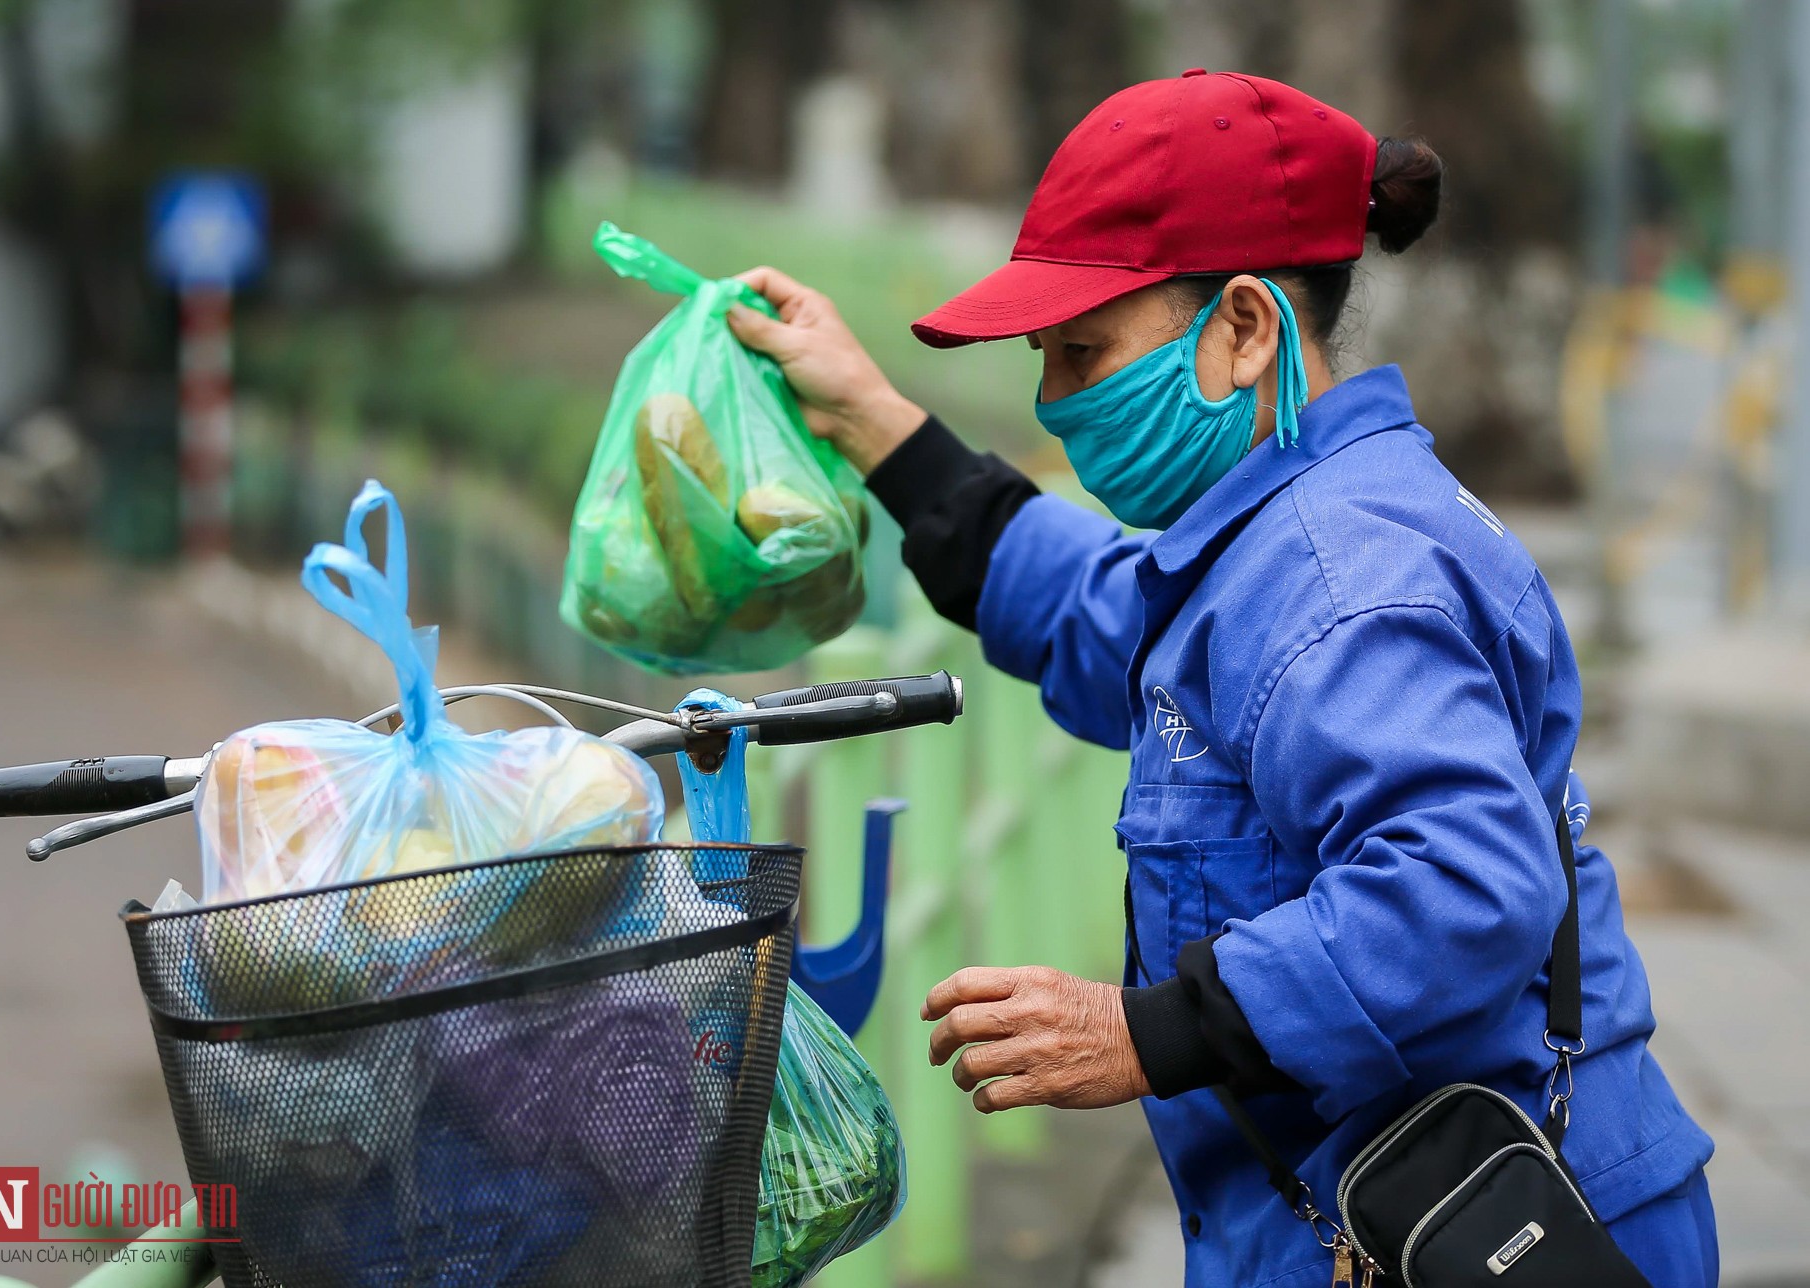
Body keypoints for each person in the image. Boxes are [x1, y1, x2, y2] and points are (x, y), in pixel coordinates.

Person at [726, 71, 1717, 1287]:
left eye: (1082, 353)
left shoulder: (1341, 576)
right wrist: (876, 422)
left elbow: (1463, 884)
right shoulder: (1277, 533)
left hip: (1477, 1234)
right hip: (1397, 1213)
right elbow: (1112, 623)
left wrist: (1147, 1031)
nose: (1053, 399)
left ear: (1244, 327)